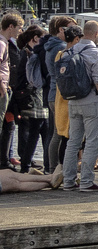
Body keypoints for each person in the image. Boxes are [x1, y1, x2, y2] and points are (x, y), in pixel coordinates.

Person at [61, 19, 98, 192]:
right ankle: (87, 182)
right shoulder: (95, 52)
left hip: (73, 100)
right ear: (96, 33)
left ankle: (68, 180)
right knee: (92, 142)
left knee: (73, 142)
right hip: (91, 101)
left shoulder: (69, 50)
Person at [35, 15, 73, 173]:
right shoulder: (60, 48)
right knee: (59, 132)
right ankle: (54, 168)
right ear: (61, 30)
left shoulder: (50, 45)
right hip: (58, 94)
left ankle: (51, 167)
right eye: (70, 29)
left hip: (51, 93)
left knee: (55, 131)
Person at [10, 26, 48, 171]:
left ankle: (33, 163)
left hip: (26, 95)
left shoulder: (25, 53)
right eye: (42, 38)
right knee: (37, 129)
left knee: (40, 129)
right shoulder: (29, 54)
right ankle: (33, 164)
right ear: (35, 38)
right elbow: (32, 78)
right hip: (31, 96)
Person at [0, 12, 20, 166]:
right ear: (11, 26)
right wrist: (2, 86)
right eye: (19, 27)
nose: (20, 31)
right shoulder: (1, 43)